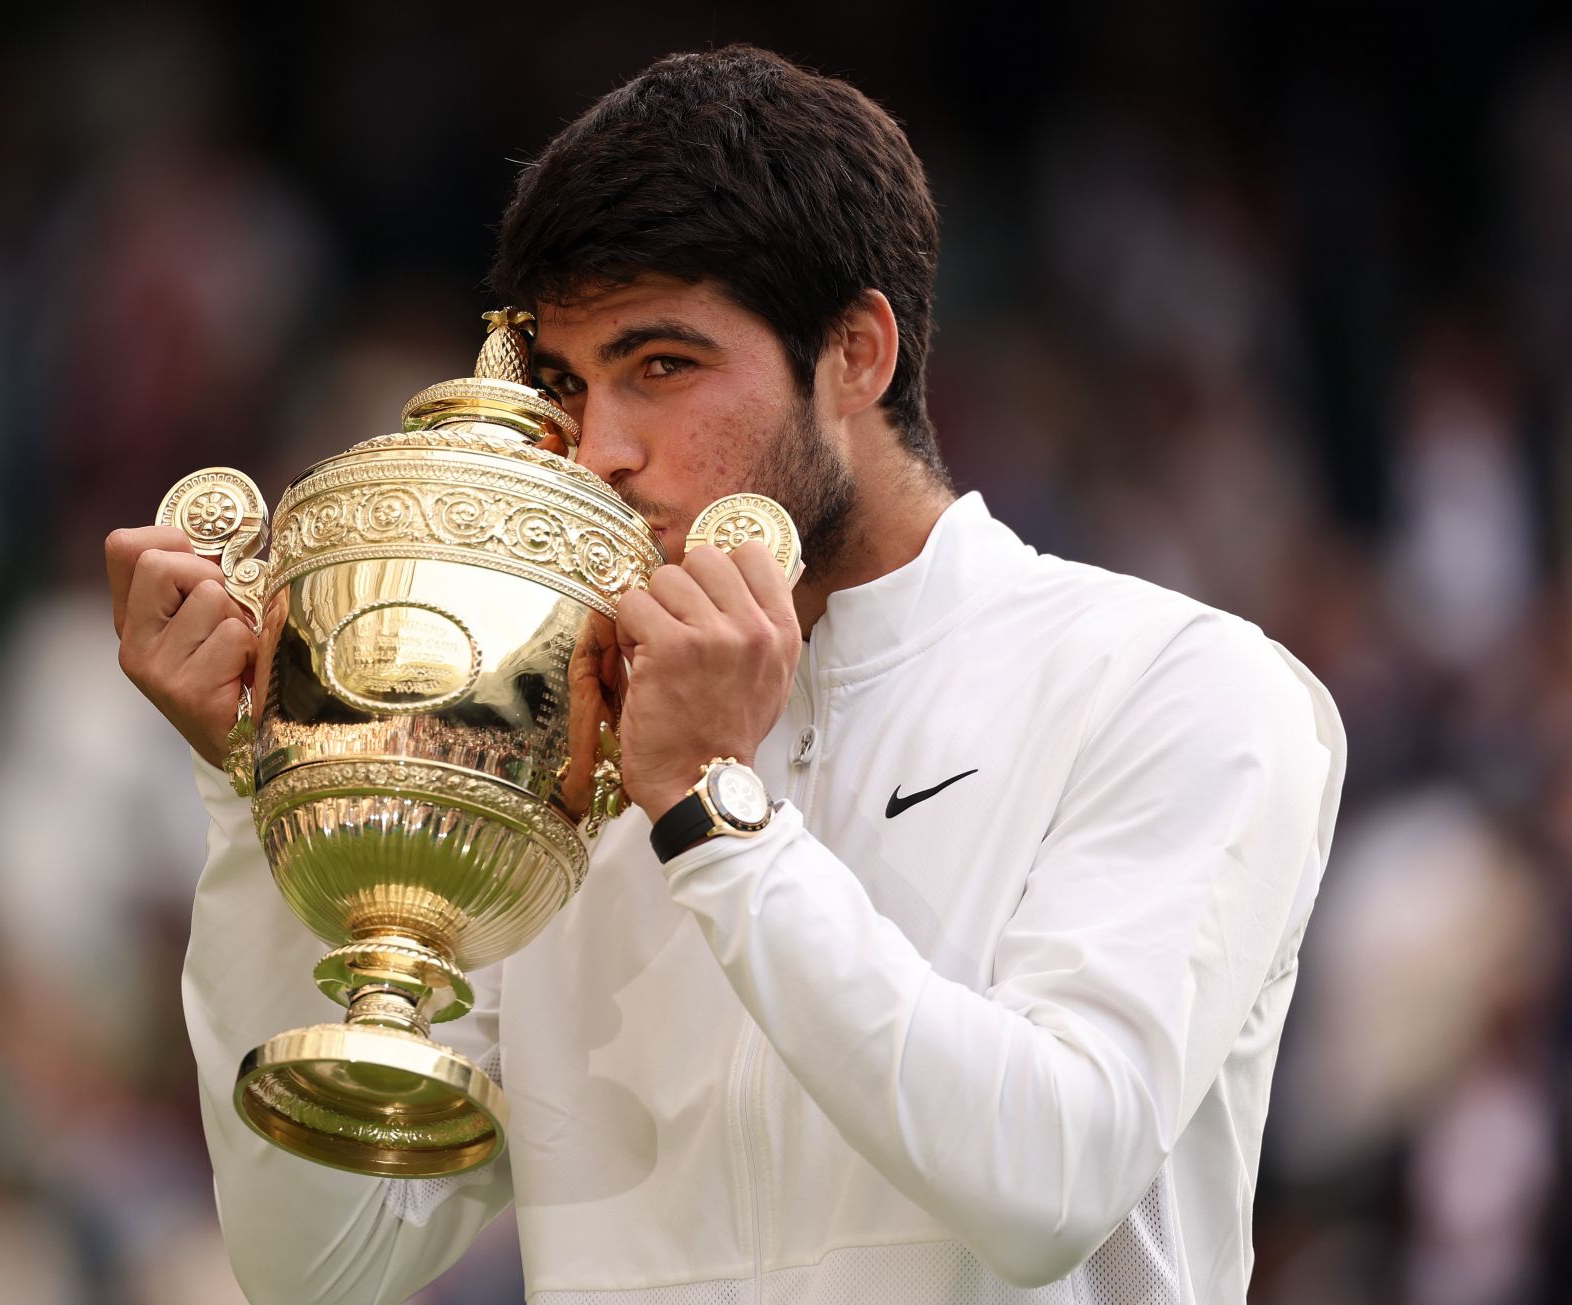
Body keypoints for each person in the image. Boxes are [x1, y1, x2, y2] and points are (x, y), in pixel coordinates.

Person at [105, 45, 1345, 1305]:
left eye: (662, 366)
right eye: (568, 386)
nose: (602, 451)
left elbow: (1054, 1183)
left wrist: (711, 814)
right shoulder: (556, 743)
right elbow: (317, 1265)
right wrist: (255, 787)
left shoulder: (1180, 686)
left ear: (857, 355)